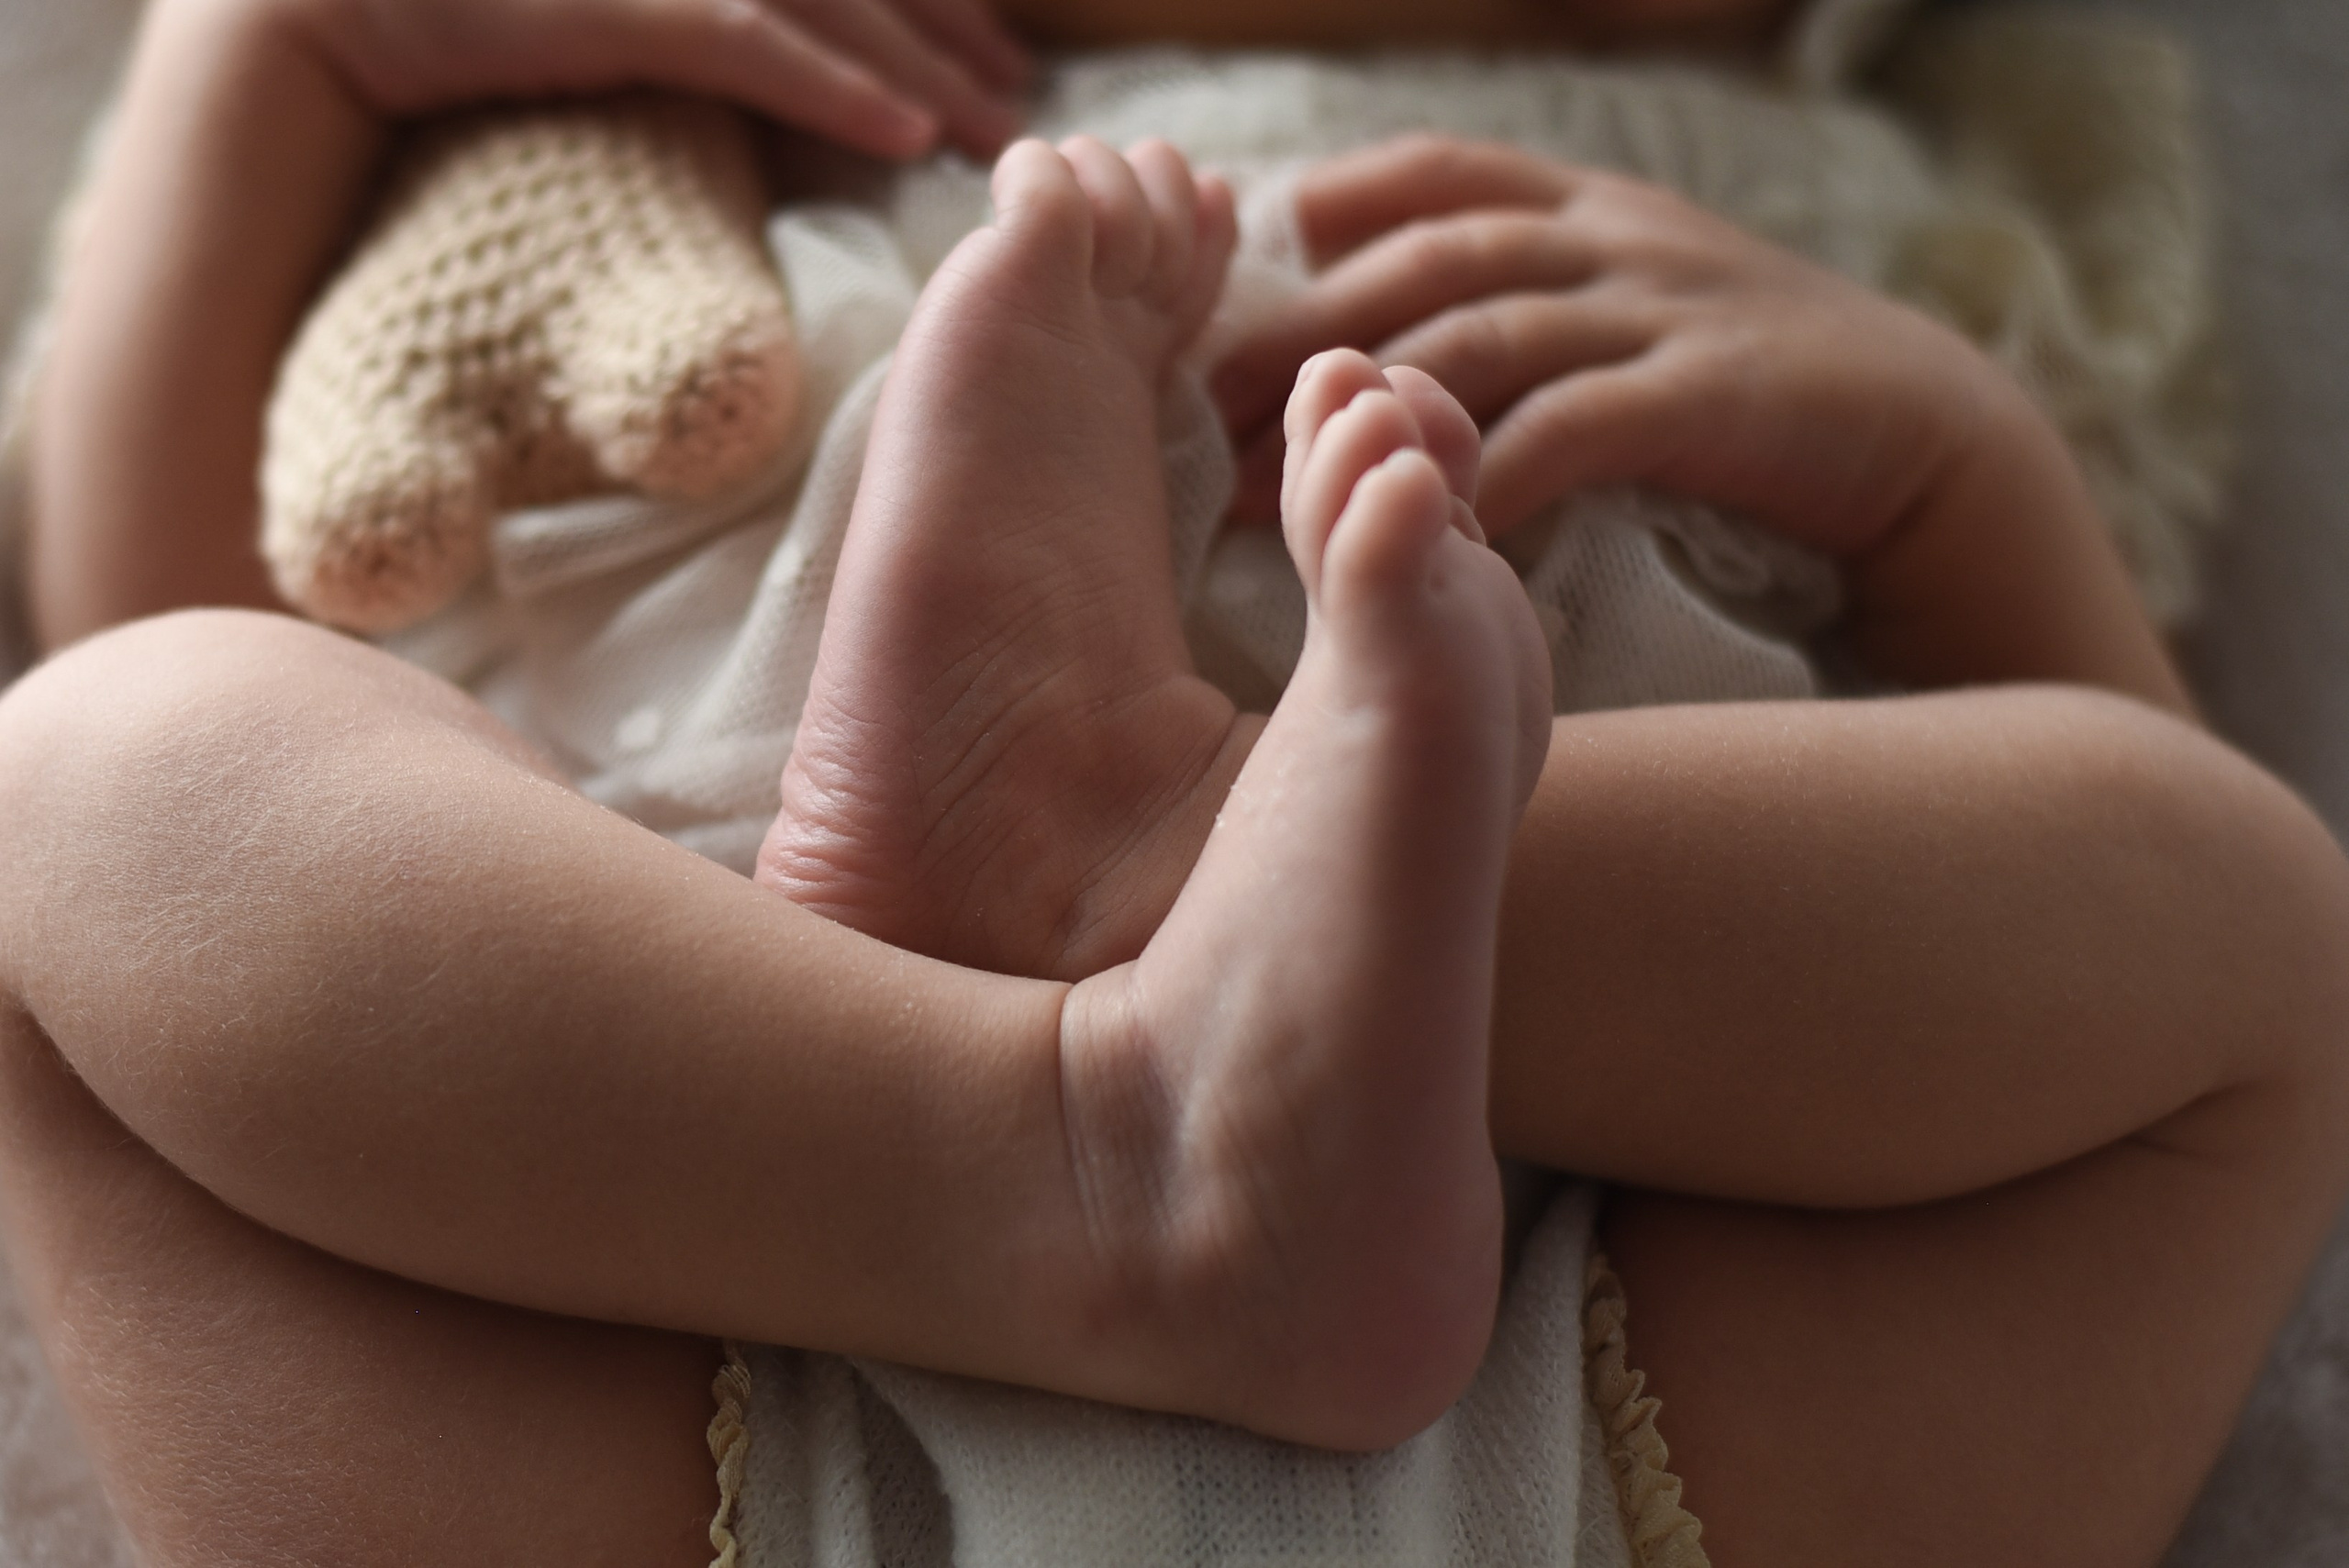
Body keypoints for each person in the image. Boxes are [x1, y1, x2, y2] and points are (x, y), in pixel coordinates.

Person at [2, 2, 2345, 1567]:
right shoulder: (698, 172)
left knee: (92, 782)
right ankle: (1116, 1060)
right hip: (1593, 1441)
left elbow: (172, 669)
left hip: (676, 1372)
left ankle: (1098, 1038)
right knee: (2232, 925)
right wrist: (1951, 493)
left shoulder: (1862, 214)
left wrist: (1941, 443)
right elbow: (299, 592)